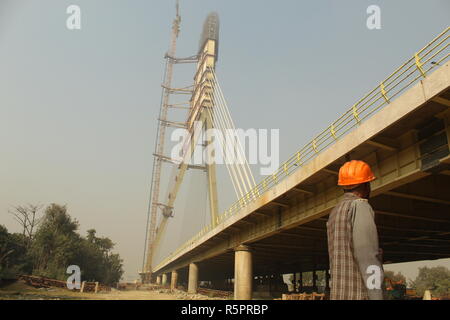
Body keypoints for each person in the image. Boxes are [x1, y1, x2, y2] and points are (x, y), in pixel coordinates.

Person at [327, 160, 384, 300]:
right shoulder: (360, 206)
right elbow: (369, 257)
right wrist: (377, 296)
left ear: (343, 187)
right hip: (359, 295)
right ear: (366, 185)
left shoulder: (335, 212)